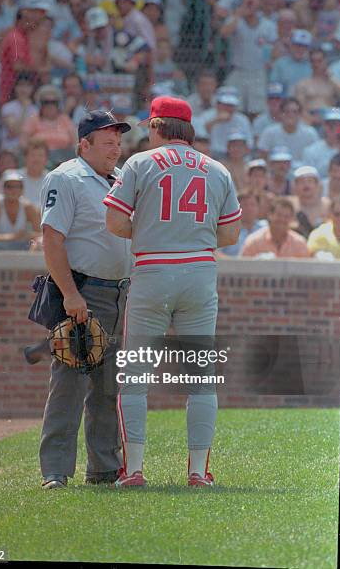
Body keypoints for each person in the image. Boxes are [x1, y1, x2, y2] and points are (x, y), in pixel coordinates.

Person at [103, 96, 241, 487]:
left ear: (156, 126)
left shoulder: (140, 163)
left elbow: (114, 221)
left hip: (152, 270)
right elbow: (230, 234)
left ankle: (134, 470)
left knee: (134, 378)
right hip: (199, 272)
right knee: (201, 377)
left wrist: (152, 230)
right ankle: (198, 472)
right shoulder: (217, 169)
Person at [38, 110, 133, 489]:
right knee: (69, 383)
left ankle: (104, 469)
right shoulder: (66, 177)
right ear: (85, 144)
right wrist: (71, 294)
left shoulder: (121, 178)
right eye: (107, 142)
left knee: (107, 385)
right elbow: (51, 238)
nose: (116, 148)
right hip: (83, 290)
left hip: (118, 292)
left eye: (118, 141)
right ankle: (56, 472)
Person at [219, 0, 277, 117]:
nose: (250, 0)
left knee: (257, 111)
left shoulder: (268, 25)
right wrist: (239, 14)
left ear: (260, 2)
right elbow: (224, 33)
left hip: (258, 72)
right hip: (238, 70)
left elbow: (273, 49)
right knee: (233, 109)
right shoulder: (236, 19)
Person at [0, 170, 41, 250]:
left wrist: (28, 235)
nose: (14, 190)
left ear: (22, 189)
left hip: (20, 252)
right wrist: (12, 237)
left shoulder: (27, 206)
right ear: (3, 188)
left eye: (18, 186)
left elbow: (41, 234)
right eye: (9, 186)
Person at [241, 196, 310, 258]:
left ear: (291, 219)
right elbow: (242, 268)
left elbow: (307, 270)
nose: (282, 219)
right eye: (279, 215)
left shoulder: (299, 244)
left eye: (286, 216)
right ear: (270, 215)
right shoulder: (254, 242)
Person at [257, 97, 319, 161]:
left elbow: (316, 157)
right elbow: (262, 157)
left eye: (295, 112)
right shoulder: (269, 133)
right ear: (280, 114)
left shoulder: (310, 134)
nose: (291, 115)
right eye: (287, 112)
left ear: (300, 114)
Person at [301, 107, 340, 178]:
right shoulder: (311, 151)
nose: (334, 128)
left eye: (338, 125)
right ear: (324, 125)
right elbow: (308, 177)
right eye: (331, 125)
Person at [220, 190, 267, 256]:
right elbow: (216, 252)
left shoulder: (265, 228)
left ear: (258, 207)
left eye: (252, 204)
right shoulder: (227, 230)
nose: (249, 208)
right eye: (245, 205)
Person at [289, 166, 331, 239]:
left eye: (310, 181)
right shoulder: (289, 204)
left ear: (317, 184)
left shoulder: (328, 204)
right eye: (301, 182)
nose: (306, 185)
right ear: (295, 186)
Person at [269, 29, 312, 96]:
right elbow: (274, 89)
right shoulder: (280, 63)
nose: (300, 49)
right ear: (291, 45)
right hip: (285, 102)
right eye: (297, 45)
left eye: (304, 46)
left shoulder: (312, 65)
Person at [18, 138, 49, 207]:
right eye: (33, 155)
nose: (36, 159)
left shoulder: (52, 179)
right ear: (25, 158)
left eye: (40, 155)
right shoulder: (15, 177)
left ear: (46, 159)